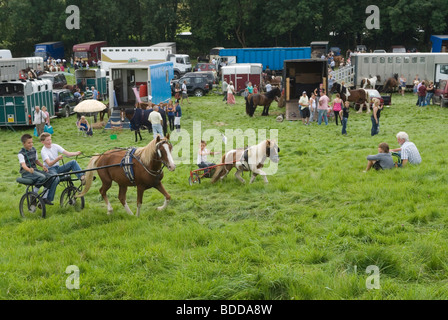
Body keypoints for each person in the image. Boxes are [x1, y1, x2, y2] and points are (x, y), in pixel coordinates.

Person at [18, 134, 58, 205]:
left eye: (32, 142)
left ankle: (45, 198)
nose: (31, 144)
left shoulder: (33, 149)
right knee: (42, 177)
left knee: (50, 177)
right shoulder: (21, 153)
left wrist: (43, 166)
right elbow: (23, 165)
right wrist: (28, 169)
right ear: (23, 143)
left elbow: (36, 161)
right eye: (29, 143)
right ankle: (34, 193)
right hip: (26, 172)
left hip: (34, 170)